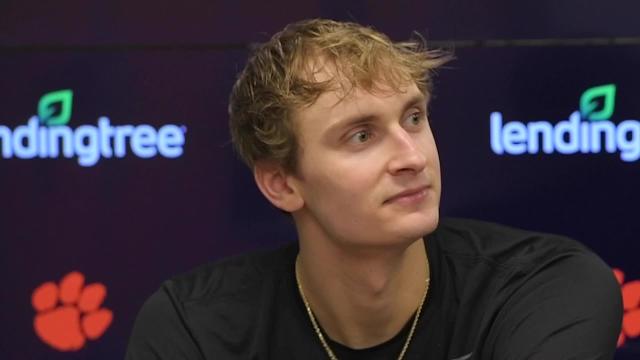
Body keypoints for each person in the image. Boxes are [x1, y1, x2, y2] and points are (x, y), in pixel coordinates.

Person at [125, 19, 622, 359]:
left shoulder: (544, 288)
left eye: (414, 117)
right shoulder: (195, 327)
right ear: (282, 183)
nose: (412, 157)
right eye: (361, 136)